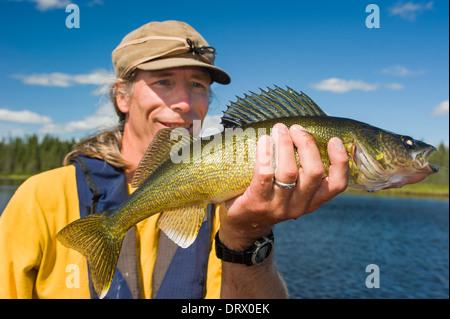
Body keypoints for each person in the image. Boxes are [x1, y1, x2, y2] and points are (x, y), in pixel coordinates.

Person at [0, 20, 349, 299]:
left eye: (198, 84)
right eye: (163, 81)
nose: (184, 102)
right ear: (122, 96)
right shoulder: (39, 198)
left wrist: (245, 238)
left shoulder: (232, 201)